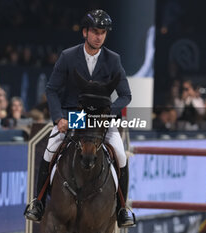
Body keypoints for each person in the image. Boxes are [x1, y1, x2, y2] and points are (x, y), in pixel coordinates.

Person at [24, 9, 135, 227]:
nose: (99, 36)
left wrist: (108, 112)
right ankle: (38, 203)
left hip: (100, 119)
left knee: (121, 155)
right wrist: (59, 118)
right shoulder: (68, 56)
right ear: (85, 32)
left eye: (102, 32)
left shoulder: (113, 60)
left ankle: (122, 210)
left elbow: (126, 95)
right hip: (74, 115)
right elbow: (52, 89)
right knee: (51, 148)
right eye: (95, 31)